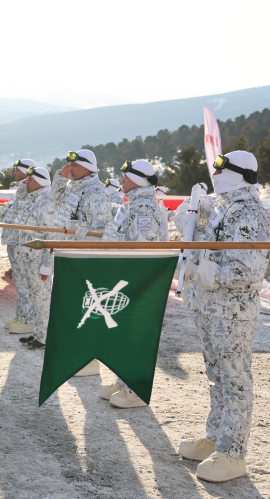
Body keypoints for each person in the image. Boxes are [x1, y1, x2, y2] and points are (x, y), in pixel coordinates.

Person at [174, 151, 269, 483]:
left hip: (232, 313)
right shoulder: (222, 207)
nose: (215, 173)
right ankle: (216, 439)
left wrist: (206, 273)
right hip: (210, 308)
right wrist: (188, 217)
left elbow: (249, 270)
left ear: (239, 173)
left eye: (221, 168)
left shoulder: (250, 214)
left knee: (235, 381)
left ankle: (233, 453)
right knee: (217, 378)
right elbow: (203, 240)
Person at [97, 160, 164, 407]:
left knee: (135, 334)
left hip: (134, 281)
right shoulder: (132, 205)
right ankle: (123, 379)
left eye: (126, 176)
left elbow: (141, 251)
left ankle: (135, 387)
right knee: (123, 334)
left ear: (139, 179)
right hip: (122, 277)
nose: (121, 180)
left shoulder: (144, 208)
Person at [52, 150, 112, 377]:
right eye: (69, 164)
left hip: (86, 260)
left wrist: (88, 235)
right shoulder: (73, 187)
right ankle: (77, 353)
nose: (71, 168)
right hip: (69, 257)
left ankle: (89, 360)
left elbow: (103, 231)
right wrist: (60, 175)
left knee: (87, 308)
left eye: (75, 165)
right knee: (72, 307)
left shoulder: (96, 193)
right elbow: (54, 198)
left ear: (88, 168)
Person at [2, 166, 58, 349]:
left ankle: (44, 337)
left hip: (38, 261)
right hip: (27, 258)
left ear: (40, 183)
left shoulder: (47, 202)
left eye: (29, 180)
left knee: (42, 299)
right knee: (36, 298)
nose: (25, 182)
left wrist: (47, 265)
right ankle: (38, 333)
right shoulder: (32, 200)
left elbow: (51, 236)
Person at [0, 160, 34, 333]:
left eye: (17, 170)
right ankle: (21, 314)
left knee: (25, 282)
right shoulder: (20, 191)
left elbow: (11, 216)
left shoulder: (27, 192)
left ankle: (28, 319)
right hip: (13, 240)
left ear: (26, 173)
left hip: (20, 241)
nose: (14, 173)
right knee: (18, 280)